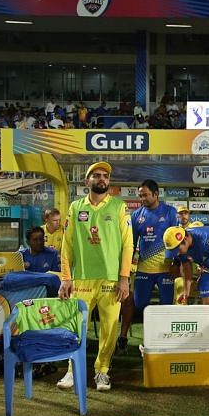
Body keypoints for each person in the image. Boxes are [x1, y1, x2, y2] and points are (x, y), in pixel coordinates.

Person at [57, 161, 133, 392]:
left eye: (105, 176)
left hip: (111, 279)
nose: (102, 179)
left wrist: (124, 277)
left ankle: (102, 371)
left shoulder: (120, 207)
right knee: (76, 327)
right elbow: (66, 244)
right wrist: (65, 277)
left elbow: (128, 245)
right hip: (81, 279)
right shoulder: (75, 207)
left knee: (109, 329)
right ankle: (71, 371)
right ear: (86, 181)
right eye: (96, 175)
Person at [118, 180, 178, 354]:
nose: (142, 198)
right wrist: (126, 271)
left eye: (145, 195)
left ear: (156, 194)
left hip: (166, 270)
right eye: (140, 195)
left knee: (166, 306)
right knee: (140, 304)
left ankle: (163, 340)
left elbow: (176, 239)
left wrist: (175, 263)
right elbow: (131, 244)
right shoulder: (136, 215)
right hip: (144, 270)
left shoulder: (170, 212)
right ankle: (127, 338)